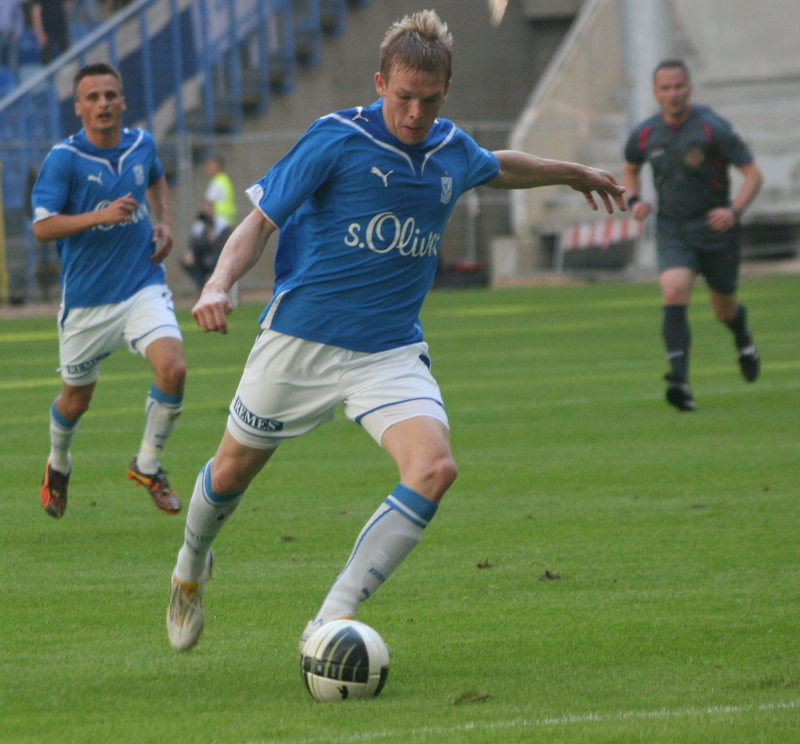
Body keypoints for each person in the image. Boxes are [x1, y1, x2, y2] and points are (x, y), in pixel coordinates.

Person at [165, 9, 626, 653]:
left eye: (429, 101)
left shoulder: (450, 149)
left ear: (445, 94)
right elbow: (259, 223)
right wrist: (218, 284)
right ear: (380, 82)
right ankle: (190, 567)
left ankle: (329, 620)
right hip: (300, 343)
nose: (415, 113)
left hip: (388, 352)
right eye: (404, 97)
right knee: (230, 475)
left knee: (434, 467)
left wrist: (572, 173)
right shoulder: (334, 138)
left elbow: (498, 164)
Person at [32, 62, 186, 518]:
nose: (103, 104)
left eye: (110, 95)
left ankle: (147, 464)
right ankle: (58, 462)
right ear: (78, 107)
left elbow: (156, 175)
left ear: (123, 102)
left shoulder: (142, 144)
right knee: (76, 400)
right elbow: (42, 227)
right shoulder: (65, 158)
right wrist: (99, 216)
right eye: (93, 97)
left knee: (174, 368)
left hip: (141, 286)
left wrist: (164, 221)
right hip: (86, 302)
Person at [622, 59, 764, 411]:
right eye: (665, 88)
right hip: (673, 227)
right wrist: (635, 199)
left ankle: (743, 340)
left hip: (716, 230)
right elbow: (630, 167)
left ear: (689, 88)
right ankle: (680, 381)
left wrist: (733, 211)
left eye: (678, 86)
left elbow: (753, 174)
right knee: (674, 289)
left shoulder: (713, 128)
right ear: (655, 93)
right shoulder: (645, 133)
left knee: (724, 309)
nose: (672, 94)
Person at [181, 154, 238, 290]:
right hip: (224, 224)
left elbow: (208, 205)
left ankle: (209, 288)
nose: (208, 167)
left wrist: (205, 224)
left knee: (214, 259)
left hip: (219, 225)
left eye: (210, 164)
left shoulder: (218, 182)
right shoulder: (224, 180)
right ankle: (210, 288)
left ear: (217, 166)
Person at [30, 0, 72, 65]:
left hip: (61, 28)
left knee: (67, 57)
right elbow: (36, 12)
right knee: (47, 60)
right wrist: (40, 33)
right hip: (47, 30)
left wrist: (62, 11)